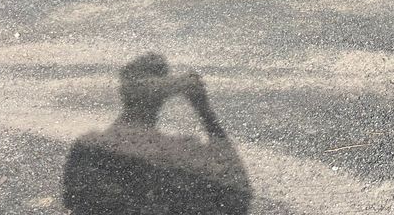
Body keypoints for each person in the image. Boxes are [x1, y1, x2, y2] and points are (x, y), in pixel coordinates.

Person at [62, 53, 252, 214]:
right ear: (166, 95)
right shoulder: (181, 154)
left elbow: (73, 202)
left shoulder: (88, 147)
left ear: (121, 90)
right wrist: (203, 110)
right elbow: (237, 200)